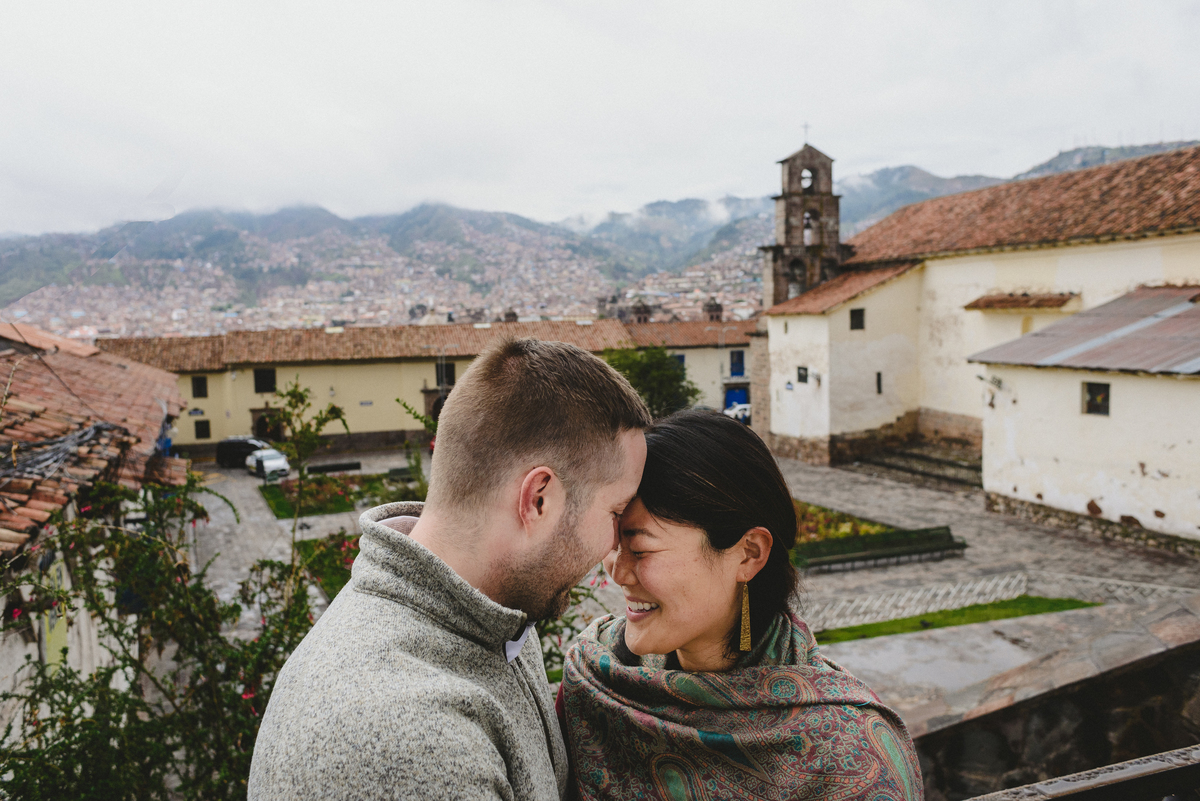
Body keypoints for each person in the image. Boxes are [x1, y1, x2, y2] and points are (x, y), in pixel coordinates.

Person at [249, 338, 652, 801]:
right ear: (539, 499)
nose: (615, 545)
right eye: (616, 513)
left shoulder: (496, 612)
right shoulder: (411, 743)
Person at [561, 410, 923, 800]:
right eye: (615, 544)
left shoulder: (851, 755)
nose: (617, 571)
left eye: (640, 548)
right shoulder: (595, 682)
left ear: (749, 554)